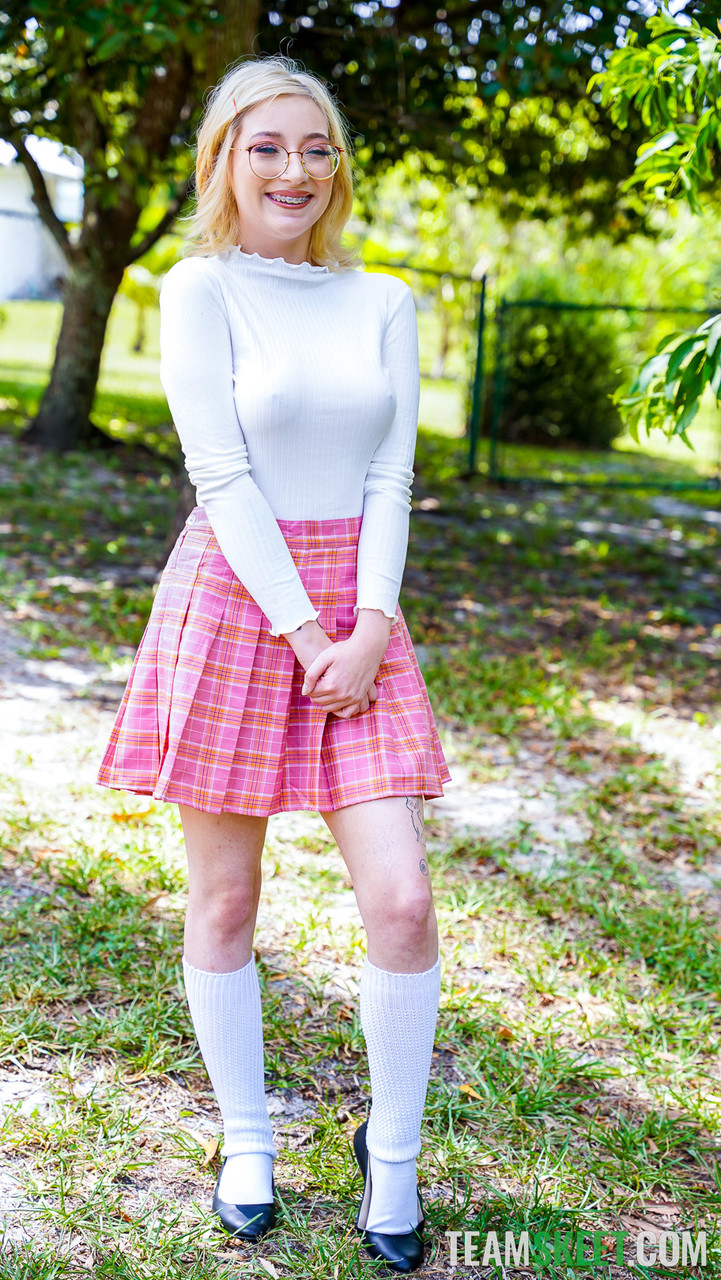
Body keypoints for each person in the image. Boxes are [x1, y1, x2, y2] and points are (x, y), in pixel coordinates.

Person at [97, 52, 451, 1275]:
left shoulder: (383, 299)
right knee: (226, 901)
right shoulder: (201, 288)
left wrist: (371, 623)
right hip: (242, 598)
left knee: (402, 900)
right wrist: (306, 632)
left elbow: (390, 473)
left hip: (360, 614)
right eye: (266, 146)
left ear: (337, 166)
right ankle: (246, 1138)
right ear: (223, 160)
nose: (293, 169)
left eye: (315, 148)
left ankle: (391, 1155)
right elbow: (221, 474)